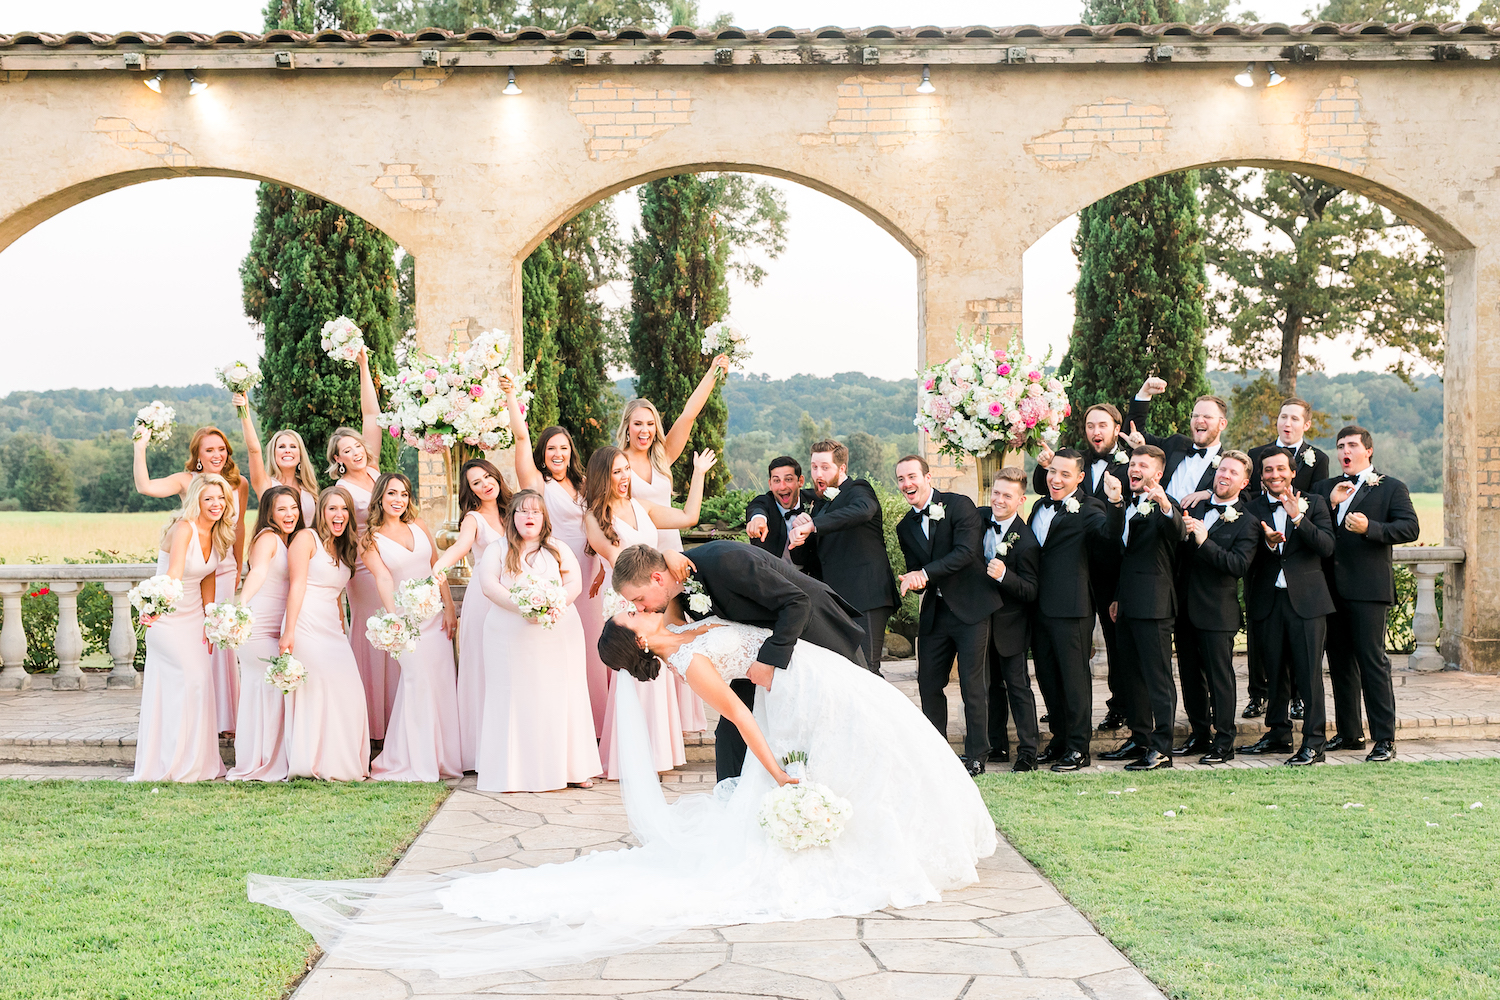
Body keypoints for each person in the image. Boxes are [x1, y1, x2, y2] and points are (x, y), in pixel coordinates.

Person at [247, 596, 996, 978]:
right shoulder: (688, 662)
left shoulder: (685, 629)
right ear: (635, 639)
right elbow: (741, 712)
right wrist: (777, 776)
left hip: (811, 677)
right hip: (798, 693)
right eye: (631, 614)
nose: (638, 608)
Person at [611, 541, 868, 782]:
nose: (640, 608)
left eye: (639, 600)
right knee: (729, 737)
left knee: (853, 718)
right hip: (759, 656)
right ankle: (730, 799)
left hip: (815, 631)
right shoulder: (678, 591)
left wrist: (768, 661)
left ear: (657, 579)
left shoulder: (725, 562)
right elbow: (668, 633)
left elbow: (797, 602)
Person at [585, 446, 716, 777]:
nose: (624, 477)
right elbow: (619, 561)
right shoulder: (594, 518)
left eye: (626, 469)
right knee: (634, 675)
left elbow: (688, 518)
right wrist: (665, 557)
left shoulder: (641, 506)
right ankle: (632, 757)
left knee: (657, 676)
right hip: (628, 599)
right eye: (616, 471)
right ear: (602, 477)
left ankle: (658, 754)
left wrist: (698, 474)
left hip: (653, 598)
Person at [1032, 386, 1153, 734]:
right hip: (1077, 571)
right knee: (1070, 649)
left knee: (1118, 644)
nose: (1095, 431)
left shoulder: (1131, 462)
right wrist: (1046, 465)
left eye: (1102, 425)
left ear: (1117, 428)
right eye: (1089, 425)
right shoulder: (1076, 460)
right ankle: (1065, 709)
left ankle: (1122, 706)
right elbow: (1048, 488)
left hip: (1115, 569)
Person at [616, 364, 727, 732]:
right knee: (652, 634)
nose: (644, 430)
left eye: (650, 424)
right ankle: (651, 721)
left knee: (677, 628)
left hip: (673, 553)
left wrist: (713, 371)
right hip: (642, 559)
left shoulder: (662, 457)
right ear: (627, 427)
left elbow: (689, 413)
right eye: (638, 423)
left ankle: (678, 719)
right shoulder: (619, 464)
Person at [473, 490, 602, 792]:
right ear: (512, 517)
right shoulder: (496, 549)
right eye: (522, 511)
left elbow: (574, 583)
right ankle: (512, 773)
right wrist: (523, 608)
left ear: (544, 518)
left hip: (558, 634)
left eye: (536, 512)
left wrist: (553, 605)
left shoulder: (558, 548)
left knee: (563, 696)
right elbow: (489, 585)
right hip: (508, 638)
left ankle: (573, 768)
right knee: (513, 698)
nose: (529, 517)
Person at [499, 379, 607, 734]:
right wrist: (511, 395)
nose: (557, 454)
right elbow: (520, 438)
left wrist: (605, 564)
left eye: (563, 448)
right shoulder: (537, 483)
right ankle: (562, 723)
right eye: (550, 449)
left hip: (590, 569)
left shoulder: (585, 484)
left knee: (592, 642)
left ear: (571, 452)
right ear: (542, 454)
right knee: (560, 641)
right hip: (556, 571)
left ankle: (597, 723)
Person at [1311, 426, 1420, 762]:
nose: (1345, 451)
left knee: (1373, 663)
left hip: (1368, 590)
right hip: (1329, 589)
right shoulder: (1324, 489)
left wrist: (1370, 528)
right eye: (1340, 446)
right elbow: (1313, 526)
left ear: (1368, 450)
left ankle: (1384, 739)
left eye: (1352, 445)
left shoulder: (1390, 487)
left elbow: (1410, 527)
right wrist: (1330, 505)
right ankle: (1350, 733)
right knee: (1339, 662)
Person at [133, 424, 251, 737]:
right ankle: (203, 722)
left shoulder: (239, 483)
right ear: (197, 455)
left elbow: (238, 527)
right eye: (209, 450)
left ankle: (225, 719)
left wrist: (239, 566)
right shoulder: (187, 483)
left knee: (219, 642)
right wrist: (140, 446)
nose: (217, 454)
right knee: (198, 655)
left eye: (221, 449)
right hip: (189, 569)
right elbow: (145, 487)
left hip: (221, 563)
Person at [893, 454, 999, 776]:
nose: (907, 484)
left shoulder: (959, 505)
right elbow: (917, 571)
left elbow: (966, 553)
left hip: (971, 609)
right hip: (936, 613)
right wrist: (915, 581)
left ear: (927, 478)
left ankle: (977, 755)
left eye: (912, 476)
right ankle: (936, 751)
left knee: (972, 684)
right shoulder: (904, 527)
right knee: (927, 682)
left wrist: (924, 573)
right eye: (901, 479)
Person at [130, 473, 236, 783]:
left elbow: (208, 576)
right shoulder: (184, 528)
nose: (216, 504)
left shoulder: (219, 532)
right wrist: (153, 609)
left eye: (220, 498)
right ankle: (172, 762)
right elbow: (174, 574)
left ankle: (197, 761)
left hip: (194, 621)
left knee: (201, 683)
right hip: (167, 619)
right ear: (196, 501)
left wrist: (210, 620)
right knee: (188, 682)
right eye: (208, 499)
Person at [1238, 448, 1336, 765]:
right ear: (1261, 475)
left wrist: (1298, 518)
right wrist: (1266, 543)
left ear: (1293, 472)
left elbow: (1326, 546)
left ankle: (1314, 742)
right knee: (1274, 670)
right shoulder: (1251, 509)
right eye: (1268, 470)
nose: (1275, 475)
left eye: (1281, 468)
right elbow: (1244, 555)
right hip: (1268, 600)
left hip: (1307, 602)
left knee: (1308, 674)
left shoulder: (1315, 504)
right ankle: (1278, 734)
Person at [364, 473, 463, 783]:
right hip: (407, 623)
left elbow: (436, 566)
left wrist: (449, 607)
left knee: (442, 683)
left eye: (404, 494)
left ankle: (444, 758)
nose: (399, 500)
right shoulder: (370, 540)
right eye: (392, 493)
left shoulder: (419, 525)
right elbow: (383, 578)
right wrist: (394, 619)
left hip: (435, 619)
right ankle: (416, 760)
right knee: (417, 683)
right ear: (380, 497)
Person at [1028, 449, 1117, 772]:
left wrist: (1116, 503)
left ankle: (1079, 748)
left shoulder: (1090, 508)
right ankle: (1060, 738)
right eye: (1053, 471)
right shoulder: (1038, 507)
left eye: (1065, 474)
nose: (1056, 479)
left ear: (1080, 477)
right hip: (1037, 607)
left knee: (1074, 680)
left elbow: (1108, 535)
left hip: (1071, 608)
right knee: (1048, 677)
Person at [1098, 446, 1184, 772]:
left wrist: (1165, 505)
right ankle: (1140, 738)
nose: (1135, 469)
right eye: (1132, 463)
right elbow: (1120, 550)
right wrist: (1118, 596)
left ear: (1157, 474)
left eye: (1143, 465)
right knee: (1131, 677)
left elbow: (1178, 533)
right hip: (1127, 604)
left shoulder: (1165, 505)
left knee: (1158, 679)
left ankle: (1162, 749)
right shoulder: (1126, 503)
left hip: (1155, 605)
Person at [1243, 396, 1329, 720]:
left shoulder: (1316, 471)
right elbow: (1246, 499)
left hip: (1303, 578)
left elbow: (1325, 537)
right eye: (1283, 417)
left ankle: (1307, 720)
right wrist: (1263, 537)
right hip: (1266, 581)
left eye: (1294, 418)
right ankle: (1266, 710)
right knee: (1267, 653)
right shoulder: (1257, 461)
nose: (1287, 423)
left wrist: (1297, 516)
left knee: (1306, 664)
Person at [280, 487, 373, 781]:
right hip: (305, 622)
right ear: (321, 512)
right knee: (317, 690)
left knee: (350, 690)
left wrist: (342, 626)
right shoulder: (305, 539)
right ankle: (314, 761)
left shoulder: (345, 546)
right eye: (332, 508)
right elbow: (296, 586)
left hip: (332, 628)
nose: (339, 515)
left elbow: (338, 594)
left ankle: (343, 762)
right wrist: (289, 632)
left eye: (344, 509)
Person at [326, 347, 395, 740]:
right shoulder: (342, 489)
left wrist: (364, 365)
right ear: (337, 459)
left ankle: (395, 716)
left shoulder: (373, 469)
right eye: (345, 451)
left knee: (396, 624)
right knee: (372, 630)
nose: (354, 452)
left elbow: (371, 415)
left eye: (356, 446)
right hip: (366, 565)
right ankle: (369, 723)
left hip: (394, 555)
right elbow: (344, 530)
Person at [1173, 451, 1259, 765]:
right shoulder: (1194, 508)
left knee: (1219, 678)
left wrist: (1204, 540)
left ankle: (1224, 742)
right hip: (1184, 607)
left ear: (1244, 483)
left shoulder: (1247, 522)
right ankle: (1199, 735)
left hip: (1217, 611)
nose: (1224, 475)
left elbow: (1237, 566)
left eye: (1233, 472)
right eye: (1222, 469)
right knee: (1190, 677)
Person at [786, 439, 899, 670]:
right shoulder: (818, 505)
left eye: (825, 467)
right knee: (846, 672)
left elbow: (864, 510)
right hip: (836, 602)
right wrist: (798, 538)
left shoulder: (858, 490)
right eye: (814, 467)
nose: (818, 473)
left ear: (842, 468)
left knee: (867, 670)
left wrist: (813, 525)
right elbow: (805, 559)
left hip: (866, 596)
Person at [430, 458, 513, 769]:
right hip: (484, 598)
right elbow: (460, 547)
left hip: (514, 595)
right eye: (476, 483)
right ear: (471, 491)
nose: (485, 484)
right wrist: (440, 565)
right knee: (482, 668)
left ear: (497, 476)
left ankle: (509, 745)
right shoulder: (473, 519)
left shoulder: (514, 510)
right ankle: (480, 751)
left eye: (487, 477)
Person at [227, 485, 305, 782]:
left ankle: (271, 758)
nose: (290, 514)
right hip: (259, 628)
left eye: (294, 508)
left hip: (277, 627)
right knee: (269, 692)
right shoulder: (268, 538)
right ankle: (262, 761)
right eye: (282, 509)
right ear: (269, 513)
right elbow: (258, 571)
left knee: (272, 693)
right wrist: (242, 603)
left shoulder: (289, 540)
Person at [981, 467, 1041, 773]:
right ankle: (997, 745)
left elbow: (1031, 590)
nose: (999, 500)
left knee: (1018, 687)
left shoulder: (1027, 541)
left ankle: (1028, 751)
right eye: (996, 493)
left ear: (1020, 500)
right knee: (990, 687)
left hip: (1011, 625)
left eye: (1007, 495)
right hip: (980, 622)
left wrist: (1005, 576)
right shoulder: (979, 520)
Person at [1127, 388, 1231, 506]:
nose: (1199, 420)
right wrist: (1144, 394)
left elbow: (1241, 497)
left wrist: (1211, 493)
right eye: (1195, 415)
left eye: (1207, 416)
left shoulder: (1226, 465)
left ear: (1222, 424)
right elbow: (1136, 431)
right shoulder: (1176, 443)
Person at [234, 394, 320, 525]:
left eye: (293, 446)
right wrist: (244, 411)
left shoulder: (309, 488)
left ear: (300, 455)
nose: (287, 450)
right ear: (273, 454)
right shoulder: (266, 485)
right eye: (281, 447)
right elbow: (254, 450)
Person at [744, 456, 821, 576]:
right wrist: (758, 519)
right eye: (776, 480)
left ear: (800, 481)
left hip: (811, 578)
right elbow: (757, 508)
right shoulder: (764, 502)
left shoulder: (816, 500)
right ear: (770, 484)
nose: (782, 487)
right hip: (770, 578)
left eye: (788, 479)